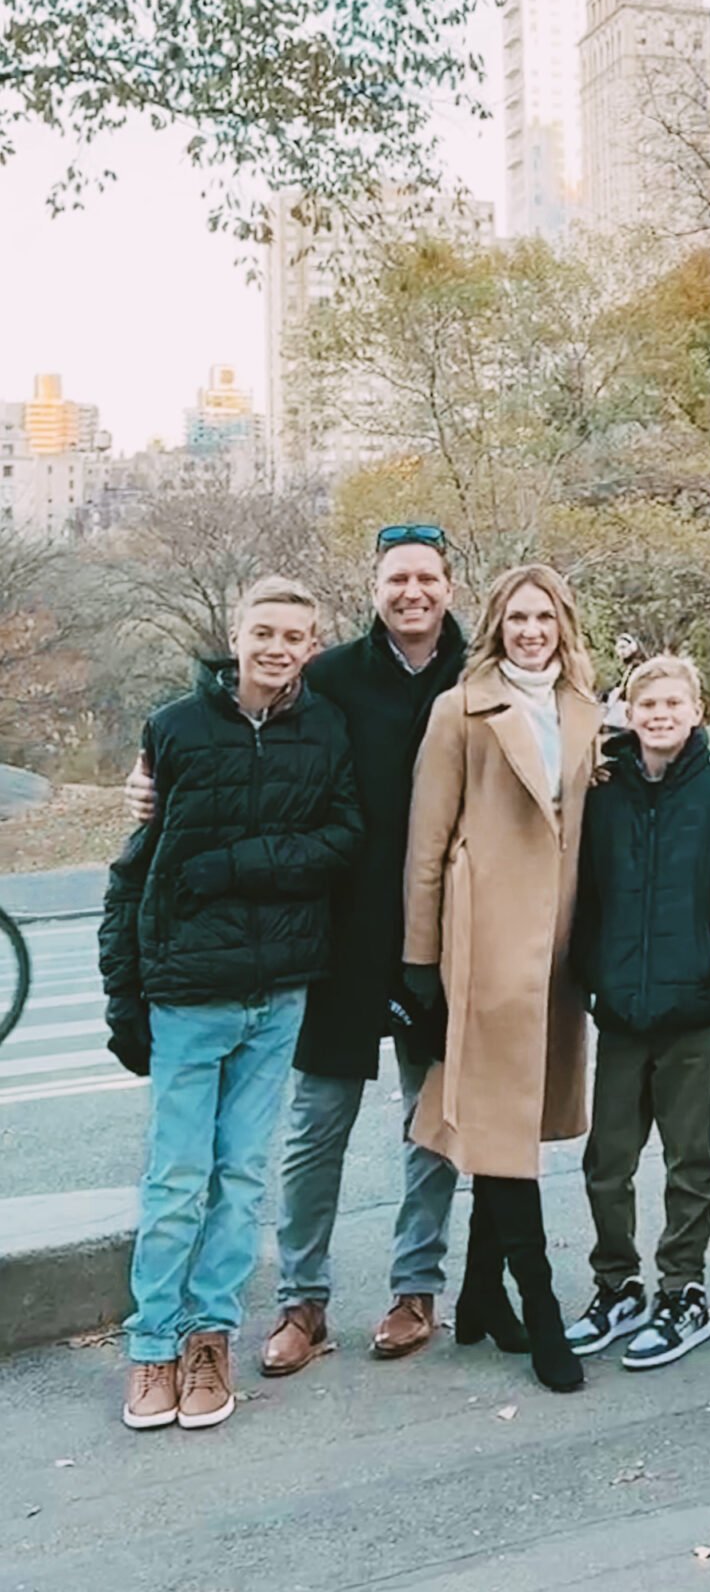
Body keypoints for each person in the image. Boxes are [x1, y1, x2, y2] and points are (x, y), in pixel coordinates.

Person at [125, 525, 470, 1372]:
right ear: (376, 588)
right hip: (335, 933)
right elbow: (244, 727)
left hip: (447, 930)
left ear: (450, 589)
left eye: (427, 578)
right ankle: (303, 1303)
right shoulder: (331, 675)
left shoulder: (481, 674)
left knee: (432, 1124)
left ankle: (413, 1289)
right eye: (397, 579)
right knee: (318, 1126)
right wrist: (151, 780)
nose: (412, 592)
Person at [100, 579, 363, 1432]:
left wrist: (242, 863)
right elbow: (136, 871)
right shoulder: (175, 727)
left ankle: (211, 1337)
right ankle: (152, 1349)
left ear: (312, 644)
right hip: (188, 991)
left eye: (295, 635)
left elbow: (343, 837)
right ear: (236, 634)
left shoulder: (324, 727)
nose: (277, 647)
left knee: (243, 1179)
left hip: (278, 990)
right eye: (264, 632)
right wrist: (123, 996)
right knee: (177, 1180)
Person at [402, 564, 601, 1393]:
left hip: (555, 951)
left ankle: (481, 1296)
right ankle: (541, 1304)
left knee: (507, 1122)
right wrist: (419, 961)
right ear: (495, 625)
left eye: (543, 617)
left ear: (562, 624)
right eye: (516, 618)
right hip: (482, 946)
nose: (530, 631)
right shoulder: (461, 709)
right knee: (499, 1125)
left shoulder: (588, 712)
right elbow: (425, 841)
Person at [566, 653, 710, 1371]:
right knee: (607, 1160)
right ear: (628, 713)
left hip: (690, 1007)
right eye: (648, 705)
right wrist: (591, 971)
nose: (661, 715)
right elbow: (583, 892)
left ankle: (683, 1288)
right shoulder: (603, 791)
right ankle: (616, 1282)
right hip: (617, 1007)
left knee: (689, 1158)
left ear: (696, 712)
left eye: (674, 704)